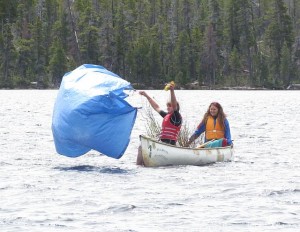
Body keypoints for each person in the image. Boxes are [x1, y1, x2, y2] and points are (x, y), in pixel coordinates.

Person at [136, 83, 182, 165]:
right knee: (141, 146)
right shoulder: (167, 115)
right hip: (162, 144)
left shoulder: (176, 117)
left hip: (169, 146)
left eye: (170, 106)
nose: (168, 108)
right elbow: (156, 107)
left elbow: (174, 105)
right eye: (167, 106)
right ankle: (138, 165)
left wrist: (172, 91)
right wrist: (146, 95)